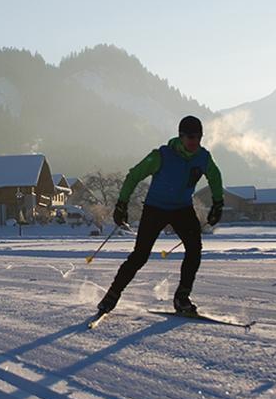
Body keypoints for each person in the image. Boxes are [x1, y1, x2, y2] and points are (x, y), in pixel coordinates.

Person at [96, 115, 224, 317]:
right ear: (181, 136)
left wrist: (218, 203)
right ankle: (112, 295)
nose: (194, 142)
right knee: (140, 256)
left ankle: (182, 298)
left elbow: (215, 178)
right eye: (191, 137)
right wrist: (122, 203)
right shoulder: (161, 156)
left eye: (198, 137)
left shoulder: (203, 157)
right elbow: (134, 175)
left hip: (182, 208)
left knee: (194, 249)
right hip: (156, 208)